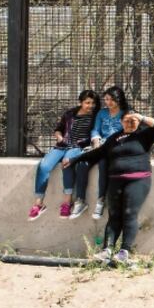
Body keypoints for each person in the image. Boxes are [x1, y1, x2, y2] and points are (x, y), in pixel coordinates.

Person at [63, 112, 154, 265]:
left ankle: (124, 251)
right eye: (126, 120)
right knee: (114, 216)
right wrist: (74, 159)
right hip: (115, 181)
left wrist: (141, 117)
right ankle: (107, 250)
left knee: (129, 213)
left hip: (138, 180)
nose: (130, 123)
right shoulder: (114, 138)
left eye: (133, 120)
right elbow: (97, 153)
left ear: (138, 121)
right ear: (120, 122)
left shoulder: (144, 135)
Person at [28, 90, 99, 221]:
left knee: (67, 163)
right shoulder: (70, 114)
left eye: (93, 103)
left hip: (79, 147)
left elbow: (96, 133)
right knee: (44, 166)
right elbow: (58, 129)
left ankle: (66, 203)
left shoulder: (96, 116)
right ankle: (39, 204)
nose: (91, 106)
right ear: (81, 102)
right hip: (62, 145)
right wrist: (60, 137)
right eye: (87, 103)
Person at [74, 85, 129, 220]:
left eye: (111, 100)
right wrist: (96, 140)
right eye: (106, 99)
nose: (107, 103)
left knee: (104, 164)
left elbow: (128, 133)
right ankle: (80, 200)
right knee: (82, 162)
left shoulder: (126, 113)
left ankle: (101, 200)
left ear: (119, 99)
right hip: (99, 146)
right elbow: (95, 129)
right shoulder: (101, 113)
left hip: (114, 148)